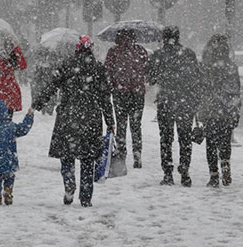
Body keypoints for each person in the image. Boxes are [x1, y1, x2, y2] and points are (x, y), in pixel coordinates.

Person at [32, 35, 115, 207]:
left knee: (67, 155)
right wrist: (110, 120)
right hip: (91, 118)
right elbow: (105, 97)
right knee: (87, 159)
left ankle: (69, 182)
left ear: (77, 49)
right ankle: (86, 197)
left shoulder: (67, 65)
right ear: (90, 49)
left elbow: (51, 86)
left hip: (68, 116)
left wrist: (36, 105)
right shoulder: (98, 69)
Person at [148, 26, 201, 187]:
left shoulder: (158, 55)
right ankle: (184, 170)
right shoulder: (189, 54)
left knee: (166, 138)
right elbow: (197, 78)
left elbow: (150, 78)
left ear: (164, 38)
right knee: (185, 138)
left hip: (166, 102)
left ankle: (168, 173)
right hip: (185, 102)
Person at [196, 34, 241, 187]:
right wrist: (235, 109)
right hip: (226, 109)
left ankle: (214, 175)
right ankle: (225, 163)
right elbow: (236, 90)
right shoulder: (231, 67)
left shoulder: (206, 66)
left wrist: (200, 109)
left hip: (211, 109)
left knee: (211, 143)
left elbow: (201, 89)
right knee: (225, 141)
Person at [104, 29, 149, 173]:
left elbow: (107, 71)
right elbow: (147, 69)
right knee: (136, 125)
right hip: (137, 93)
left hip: (120, 92)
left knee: (121, 124)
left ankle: (122, 152)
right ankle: (137, 151)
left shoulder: (113, 51)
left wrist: (113, 87)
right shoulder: (140, 50)